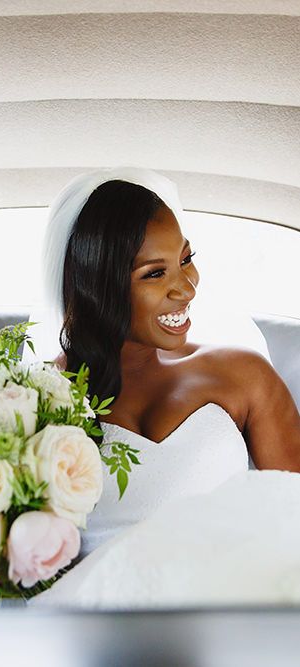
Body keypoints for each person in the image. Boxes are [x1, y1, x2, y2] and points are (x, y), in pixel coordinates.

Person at [38, 168, 300, 556]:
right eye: (155, 273)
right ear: (100, 286)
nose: (187, 287)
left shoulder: (244, 375)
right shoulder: (33, 401)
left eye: (186, 258)